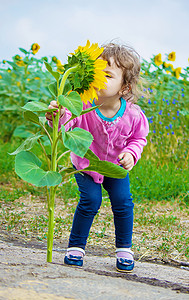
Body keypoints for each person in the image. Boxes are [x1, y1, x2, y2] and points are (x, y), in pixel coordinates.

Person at [46, 43, 149, 272]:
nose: (99, 77)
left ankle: (124, 249)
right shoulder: (83, 105)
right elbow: (67, 124)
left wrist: (132, 153)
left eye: (108, 75)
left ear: (124, 87)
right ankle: (76, 247)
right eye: (97, 71)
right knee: (90, 202)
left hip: (115, 167)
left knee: (123, 203)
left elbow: (139, 138)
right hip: (85, 165)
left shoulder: (133, 114)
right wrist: (58, 115)